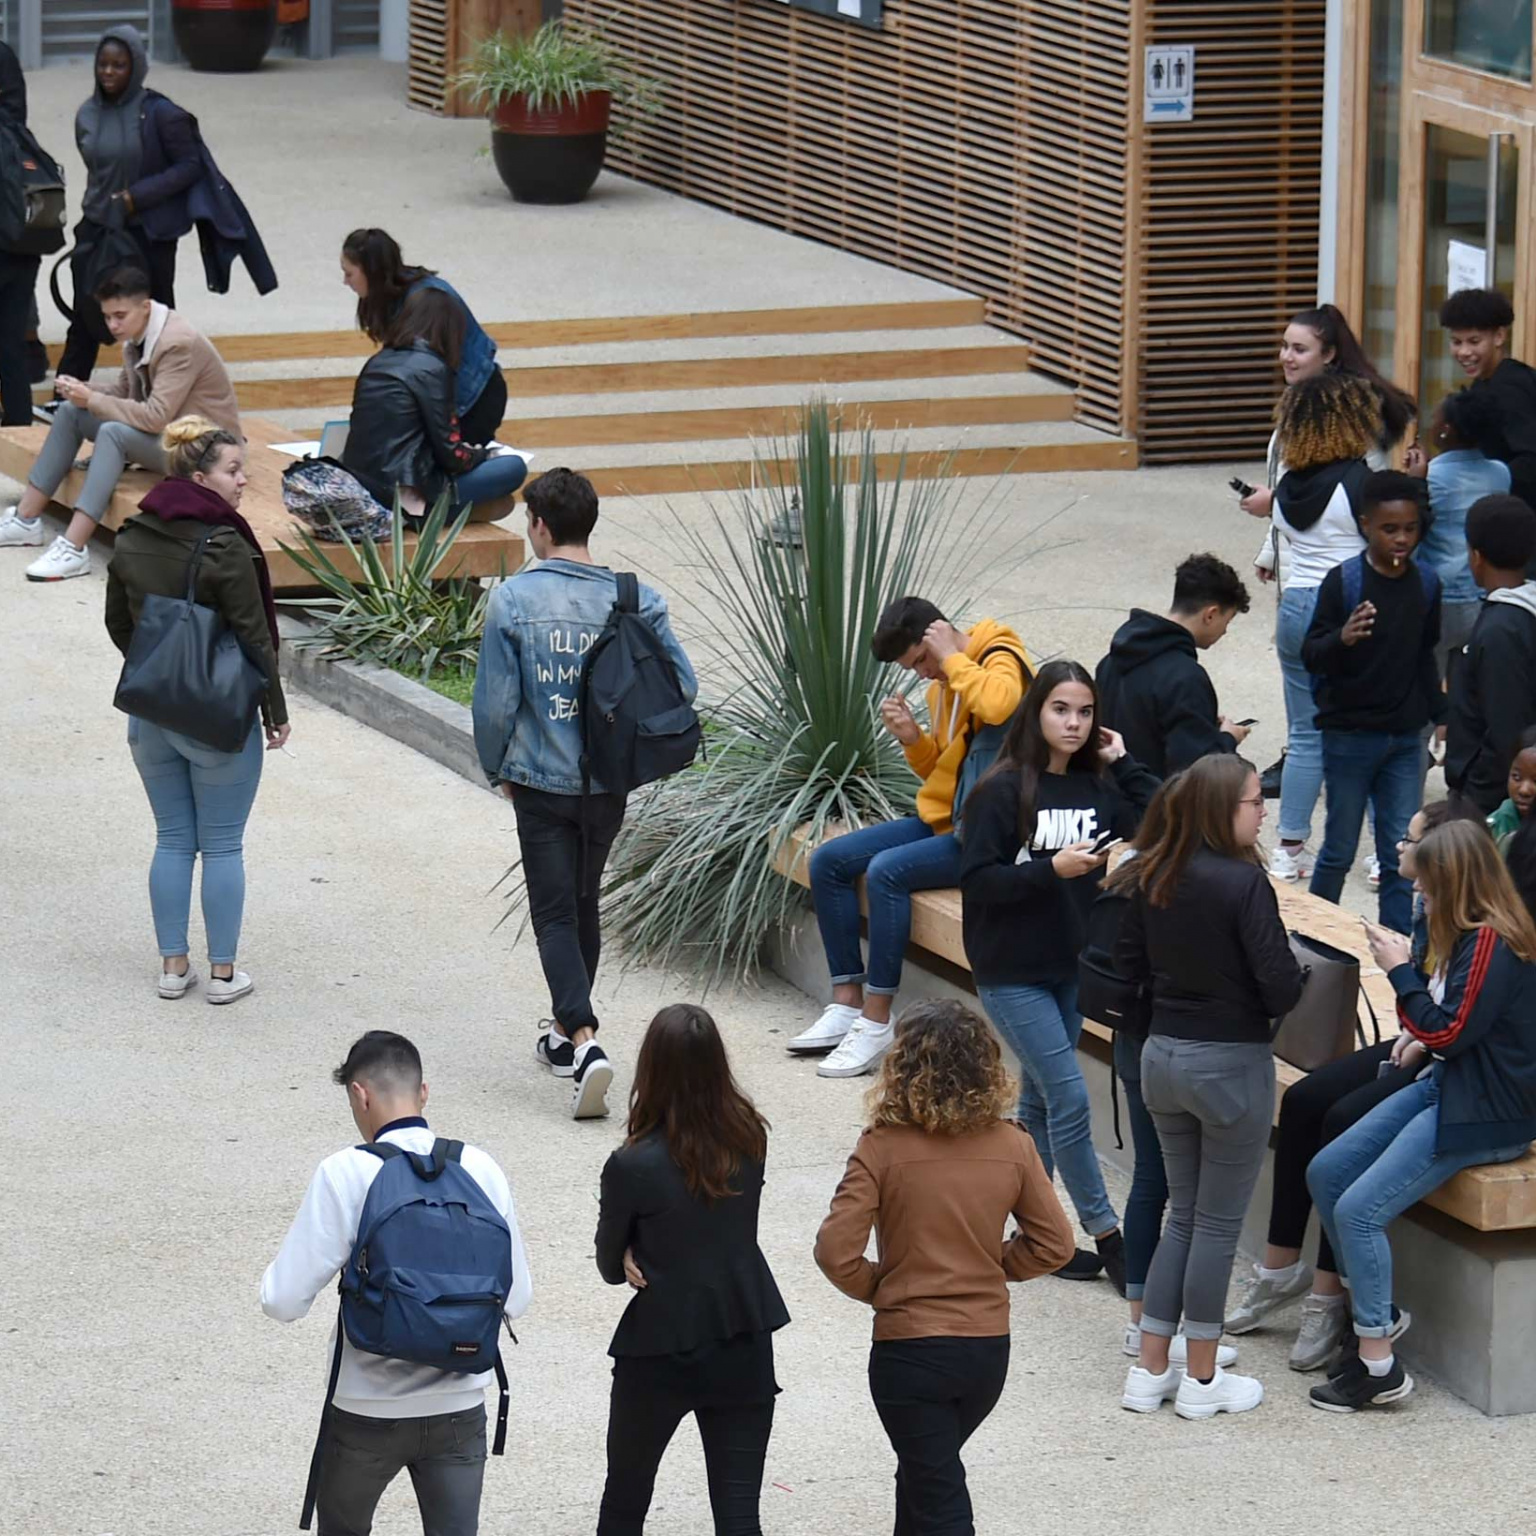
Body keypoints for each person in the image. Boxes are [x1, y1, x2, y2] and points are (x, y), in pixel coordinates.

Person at [1224, 798, 1487, 1370]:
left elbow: (1456, 1017)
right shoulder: (1430, 904)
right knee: (1304, 1098)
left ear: (1442, 855)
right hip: (1424, 1040)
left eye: (1410, 839)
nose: (1399, 847)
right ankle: (1279, 1267)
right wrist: (1417, 1027)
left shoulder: (1475, 924)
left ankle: (1328, 1297)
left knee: (1342, 1121)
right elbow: (1437, 999)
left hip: (1449, 1060)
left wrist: (1403, 987)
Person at [472, 468, 696, 1120]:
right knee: (582, 901)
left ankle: (584, 1039)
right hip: (607, 782)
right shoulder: (635, 598)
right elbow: (681, 685)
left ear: (538, 525)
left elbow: (495, 705)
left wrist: (497, 767)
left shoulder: (514, 601)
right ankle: (564, 1039)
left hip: (540, 780)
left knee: (553, 914)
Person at [814, 999, 1075, 1533]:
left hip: (909, 1354)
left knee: (938, 1495)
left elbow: (834, 1251)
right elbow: (1055, 1245)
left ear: (901, 1066)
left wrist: (884, 1286)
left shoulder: (880, 1147)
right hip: (985, 1355)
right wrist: (994, 1264)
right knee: (925, 1477)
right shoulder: (1015, 1144)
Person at [261, 1031, 533, 1533]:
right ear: (423, 1092)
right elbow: (517, 1296)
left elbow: (282, 1301)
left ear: (359, 1095)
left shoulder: (345, 1173)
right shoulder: (480, 1167)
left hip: (365, 1408)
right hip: (460, 1405)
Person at [1308, 821, 1536, 1411]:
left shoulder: (1490, 940)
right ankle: (1377, 1319)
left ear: (1454, 883)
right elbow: (1456, 1029)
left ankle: (1377, 1362)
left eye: (1426, 888)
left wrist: (1399, 971)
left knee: (1358, 1213)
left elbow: (1451, 1029)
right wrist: (1425, 1038)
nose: (1420, 898)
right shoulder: (1471, 934)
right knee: (1327, 1171)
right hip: (1449, 1085)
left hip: (1482, 1113)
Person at [959, 658, 1160, 1289]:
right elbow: (978, 882)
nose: (1074, 723)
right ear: (1037, 711)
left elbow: (1164, 824)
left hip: (1071, 967)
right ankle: (1107, 1233)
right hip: (1010, 969)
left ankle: (1018, 1233)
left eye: (1085, 712)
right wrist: (1052, 870)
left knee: (1041, 1102)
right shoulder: (1000, 790)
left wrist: (1124, 762)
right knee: (1069, 1096)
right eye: (1061, 710)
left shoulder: (1100, 787)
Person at [1116, 754, 1305, 1419]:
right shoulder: (1244, 884)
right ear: (1225, 809)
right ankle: (1201, 1380)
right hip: (1229, 1065)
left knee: (1183, 1216)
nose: (1263, 812)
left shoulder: (1155, 872)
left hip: (1161, 1057)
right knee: (1218, 1226)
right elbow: (1281, 984)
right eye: (1256, 801)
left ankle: (1150, 1369)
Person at [793, 596, 1032, 1076]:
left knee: (887, 872)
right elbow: (942, 773)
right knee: (829, 860)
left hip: (993, 839)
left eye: (921, 660)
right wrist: (913, 740)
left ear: (939, 634)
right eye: (914, 667)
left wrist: (951, 657)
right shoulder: (944, 688)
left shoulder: (998, 656)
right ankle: (846, 1004)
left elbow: (1001, 703)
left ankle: (878, 1019)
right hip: (951, 818)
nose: (924, 673)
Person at [104, 415, 285, 1003]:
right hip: (215, 719)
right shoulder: (226, 544)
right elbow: (257, 640)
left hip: (150, 715)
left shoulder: (132, 531)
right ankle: (225, 975)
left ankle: (173, 966)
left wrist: (161, 667)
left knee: (173, 838)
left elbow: (118, 622)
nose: (241, 483)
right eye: (233, 471)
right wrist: (274, 710)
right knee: (224, 844)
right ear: (200, 475)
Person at [594, 1004, 789, 1536]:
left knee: (625, 1502)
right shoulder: (752, 1139)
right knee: (738, 1512)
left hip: (659, 1345)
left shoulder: (632, 1164)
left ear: (651, 1070)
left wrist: (630, 1251)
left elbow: (609, 1265)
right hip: (742, 1335)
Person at [0, 267, 241, 582]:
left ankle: (73, 548)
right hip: (171, 436)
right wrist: (83, 391)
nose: (112, 325)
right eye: (107, 317)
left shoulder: (177, 343)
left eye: (119, 316)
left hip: (205, 450)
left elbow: (155, 415)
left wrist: (94, 400)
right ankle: (26, 519)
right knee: (71, 412)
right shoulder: (137, 335)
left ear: (144, 307)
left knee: (114, 433)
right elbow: (124, 396)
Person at [1243, 369, 1381, 881]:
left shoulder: (1287, 489)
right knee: (1367, 730)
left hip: (1296, 607)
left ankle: (1289, 848)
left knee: (1305, 733)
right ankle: (1382, 853)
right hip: (1348, 604)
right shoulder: (1362, 485)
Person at [1302, 470, 1443, 934]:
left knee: (1401, 852)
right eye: (1390, 529)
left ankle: (1399, 953)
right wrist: (1342, 638)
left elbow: (1425, 655)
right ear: (1366, 525)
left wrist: (1442, 717)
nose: (1401, 538)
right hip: (1349, 736)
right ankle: (1314, 940)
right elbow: (1312, 653)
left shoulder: (1427, 584)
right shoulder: (1344, 583)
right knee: (1339, 849)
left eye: (1409, 528)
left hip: (1404, 738)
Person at [342, 285, 525, 520]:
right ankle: (443, 516)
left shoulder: (377, 362)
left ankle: (465, 512)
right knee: (512, 467)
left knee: (500, 503)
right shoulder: (433, 368)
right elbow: (451, 454)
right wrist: (482, 455)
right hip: (406, 498)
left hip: (364, 486)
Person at [342, 227, 506, 447]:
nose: (345, 281)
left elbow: (427, 376)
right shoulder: (389, 296)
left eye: (350, 273)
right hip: (452, 400)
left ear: (371, 271)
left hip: (473, 402)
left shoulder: (429, 303)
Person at [1095, 552, 1252, 777]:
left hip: (1110, 798)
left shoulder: (1111, 660)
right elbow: (1195, 772)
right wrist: (1227, 739)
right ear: (1211, 615)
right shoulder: (1186, 678)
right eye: (1227, 621)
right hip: (1156, 804)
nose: (1225, 631)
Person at [1407, 390, 1511, 687]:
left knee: (1426, 686)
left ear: (1445, 429)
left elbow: (1415, 528)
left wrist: (1414, 481)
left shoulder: (1431, 476)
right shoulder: (1500, 474)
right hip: (1482, 593)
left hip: (1440, 595)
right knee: (1471, 692)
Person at [1446, 494, 1536, 814]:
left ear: (1476, 556)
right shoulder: (1519, 611)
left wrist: (1473, 804)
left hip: (1491, 801)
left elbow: (1506, 730)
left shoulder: (1502, 628)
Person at [1436, 287, 1536, 512]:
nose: (1463, 352)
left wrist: (1485, 484)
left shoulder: (1511, 387)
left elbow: (1530, 460)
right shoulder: (1483, 383)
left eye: (1473, 341)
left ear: (1499, 336)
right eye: (1456, 342)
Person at [0, 39, 41, 426]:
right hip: (23, 242)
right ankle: (19, 432)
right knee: (10, 347)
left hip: (10, 242)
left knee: (10, 346)